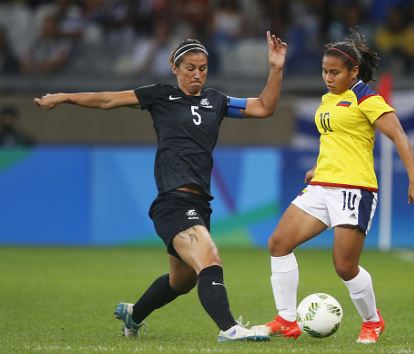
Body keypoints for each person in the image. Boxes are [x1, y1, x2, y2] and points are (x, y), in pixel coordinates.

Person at [34, 31, 287, 342]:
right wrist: (65, 97)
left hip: (200, 205)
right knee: (210, 259)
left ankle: (134, 314)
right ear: (174, 67)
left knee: (181, 282)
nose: (197, 74)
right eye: (190, 67)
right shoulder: (160, 96)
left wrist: (275, 68)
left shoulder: (216, 101)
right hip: (173, 202)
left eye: (203, 68)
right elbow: (109, 99)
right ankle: (230, 328)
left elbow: (264, 107)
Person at [252, 29, 414, 344]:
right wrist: (317, 169)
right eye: (324, 71)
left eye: (334, 72)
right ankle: (287, 319)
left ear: (354, 72)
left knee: (345, 267)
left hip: (354, 189)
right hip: (322, 186)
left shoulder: (367, 99)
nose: (328, 78)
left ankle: (372, 322)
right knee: (278, 243)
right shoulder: (328, 99)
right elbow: (335, 141)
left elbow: (400, 136)